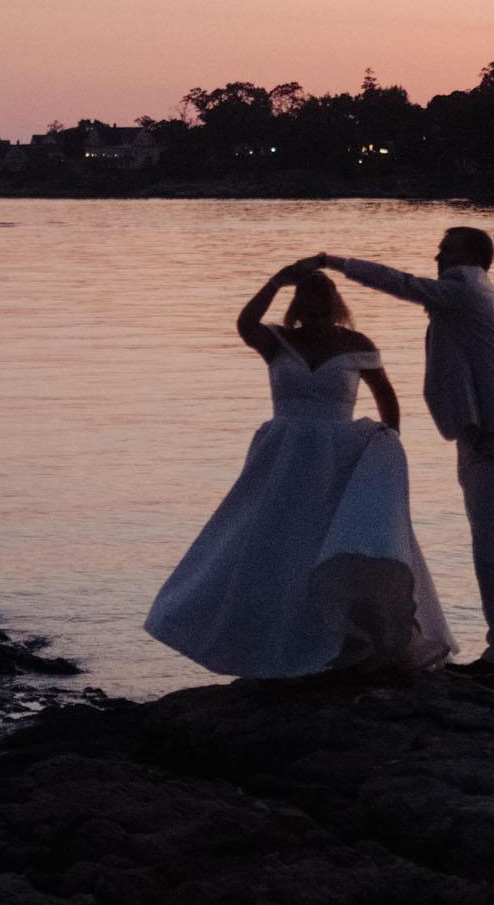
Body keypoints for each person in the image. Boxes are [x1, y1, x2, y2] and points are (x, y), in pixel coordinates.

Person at [144, 263, 455, 677]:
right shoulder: (277, 341)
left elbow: (387, 400)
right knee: (272, 542)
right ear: (297, 308)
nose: (316, 317)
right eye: (309, 309)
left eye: (323, 309)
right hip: (283, 456)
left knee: (328, 543)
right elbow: (245, 321)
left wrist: (384, 454)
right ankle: (268, 641)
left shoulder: (357, 344)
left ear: (335, 308)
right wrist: (275, 280)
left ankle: (344, 641)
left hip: (337, 457)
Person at [305, 228, 494, 693]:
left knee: (492, 556)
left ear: (469, 256)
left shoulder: (465, 287)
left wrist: (336, 261)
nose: (437, 255)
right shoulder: (474, 293)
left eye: (446, 249)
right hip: (490, 438)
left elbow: (402, 284)